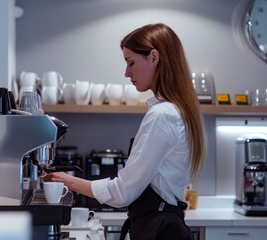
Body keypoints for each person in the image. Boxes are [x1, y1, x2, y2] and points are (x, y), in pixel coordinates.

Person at [44, 23, 206, 240]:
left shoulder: (162, 116)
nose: (127, 72)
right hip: (164, 225)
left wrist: (69, 182)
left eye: (131, 62)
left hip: (161, 230)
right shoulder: (176, 111)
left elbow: (123, 192)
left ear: (154, 57)